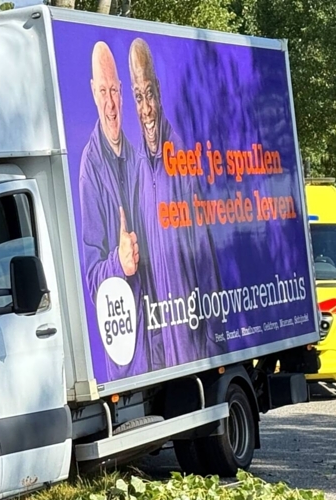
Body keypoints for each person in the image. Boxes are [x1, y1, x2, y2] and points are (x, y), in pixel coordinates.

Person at [128, 38, 225, 365]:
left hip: (194, 342)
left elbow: (203, 254)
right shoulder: (138, 168)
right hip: (163, 347)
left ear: (159, 91)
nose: (146, 109)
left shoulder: (180, 160)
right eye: (138, 97)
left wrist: (215, 340)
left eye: (149, 94)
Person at [78, 41, 149, 378]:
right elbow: (91, 278)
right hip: (126, 351)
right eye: (102, 91)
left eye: (114, 91)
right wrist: (118, 264)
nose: (110, 104)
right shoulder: (89, 169)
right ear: (94, 92)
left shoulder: (138, 160)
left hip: (159, 334)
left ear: (122, 92)